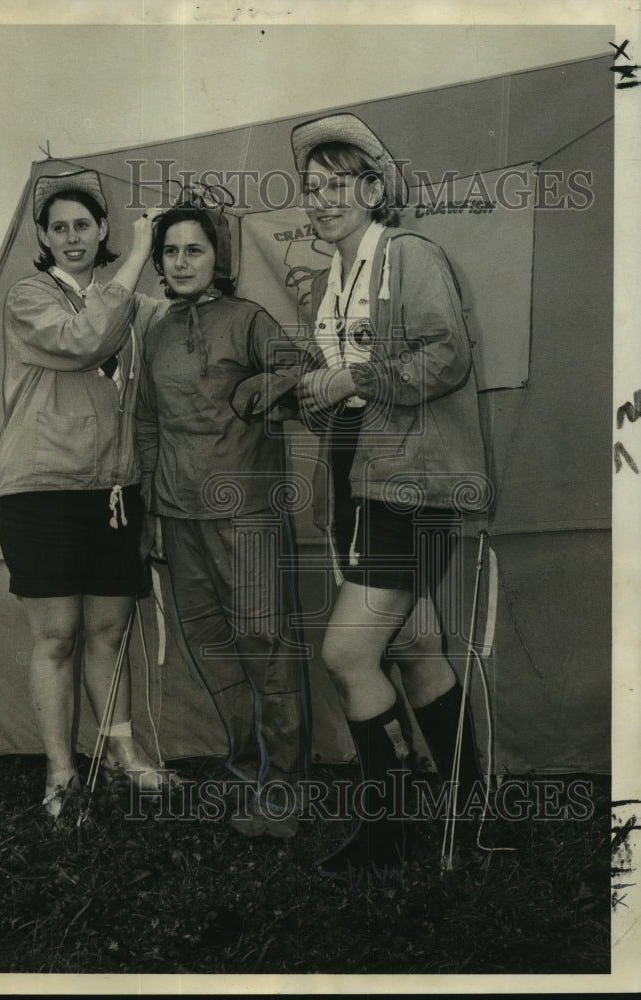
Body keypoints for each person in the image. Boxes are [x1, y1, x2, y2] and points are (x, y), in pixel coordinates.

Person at [289, 114, 490, 883]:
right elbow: (353, 388)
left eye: (338, 185)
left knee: (347, 651)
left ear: (375, 191)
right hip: (358, 475)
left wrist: (355, 379)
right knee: (411, 645)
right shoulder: (337, 276)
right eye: (312, 188)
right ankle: (469, 814)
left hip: (411, 482)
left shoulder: (408, 256)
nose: (321, 199)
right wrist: (318, 391)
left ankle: (391, 825)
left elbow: (446, 356)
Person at [0, 169, 167, 822]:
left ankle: (119, 751)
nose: (72, 237)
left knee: (108, 629)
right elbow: (87, 337)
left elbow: (155, 345)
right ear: (43, 235)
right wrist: (139, 259)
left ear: (102, 231)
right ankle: (62, 772)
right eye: (59, 227)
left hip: (112, 494)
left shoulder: (126, 302)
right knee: (58, 636)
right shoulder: (29, 297)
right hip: (41, 492)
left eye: (84, 226)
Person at [136, 197, 311, 839]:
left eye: (195, 250)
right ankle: (247, 774)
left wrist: (258, 390)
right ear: (159, 262)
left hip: (249, 513)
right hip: (178, 518)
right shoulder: (154, 332)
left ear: (219, 258)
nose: (181, 262)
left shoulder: (248, 319)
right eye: (171, 251)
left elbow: (303, 370)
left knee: (265, 646)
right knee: (211, 648)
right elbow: (147, 424)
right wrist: (152, 512)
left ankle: (284, 793)